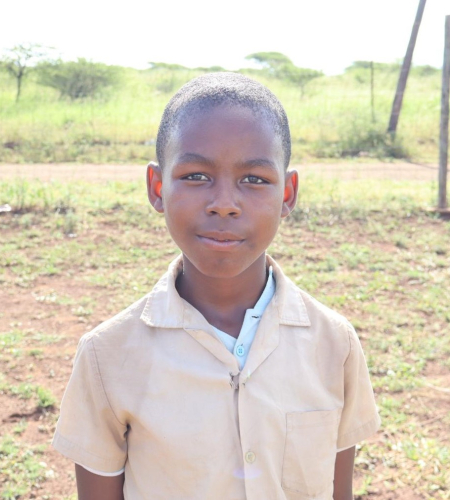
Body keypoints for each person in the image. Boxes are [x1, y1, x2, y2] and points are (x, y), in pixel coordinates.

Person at [52, 72, 380, 500]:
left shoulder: (334, 345)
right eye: (196, 176)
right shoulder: (108, 357)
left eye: (254, 179)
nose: (224, 204)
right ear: (157, 187)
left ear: (287, 193)